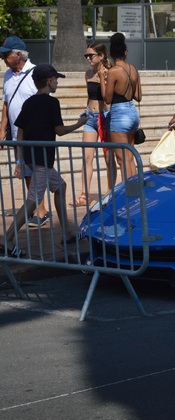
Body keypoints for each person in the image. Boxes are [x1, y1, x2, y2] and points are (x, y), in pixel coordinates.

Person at [1, 64, 88, 258]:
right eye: (56, 79)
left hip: (33, 158)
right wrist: (80, 123)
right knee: (33, 201)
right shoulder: (51, 103)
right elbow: (60, 130)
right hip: (43, 160)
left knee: (61, 186)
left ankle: (67, 232)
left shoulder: (29, 102)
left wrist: (20, 160)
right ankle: (7, 238)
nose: (57, 82)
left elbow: (20, 133)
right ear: (49, 81)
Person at [0, 36, 51, 228]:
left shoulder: (36, 73)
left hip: (34, 133)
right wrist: (2, 130)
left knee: (37, 172)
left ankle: (42, 210)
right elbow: (7, 104)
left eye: (5, 55)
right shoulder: (7, 75)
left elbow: (45, 101)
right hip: (17, 134)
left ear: (18, 55)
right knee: (28, 173)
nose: (3, 58)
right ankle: (38, 209)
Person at [70, 42, 112, 207]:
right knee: (87, 157)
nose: (88, 58)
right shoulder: (87, 74)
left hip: (104, 117)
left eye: (91, 55)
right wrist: (86, 113)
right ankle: (84, 195)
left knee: (108, 158)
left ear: (101, 56)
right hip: (91, 117)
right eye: (86, 55)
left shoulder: (108, 73)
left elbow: (107, 98)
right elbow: (90, 97)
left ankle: (111, 192)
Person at [99, 32, 140, 180]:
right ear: (125, 52)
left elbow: (107, 99)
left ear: (110, 53)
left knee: (121, 159)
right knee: (129, 157)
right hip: (132, 112)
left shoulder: (113, 71)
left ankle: (127, 194)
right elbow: (138, 96)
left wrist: (101, 80)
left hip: (119, 114)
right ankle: (136, 192)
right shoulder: (133, 69)